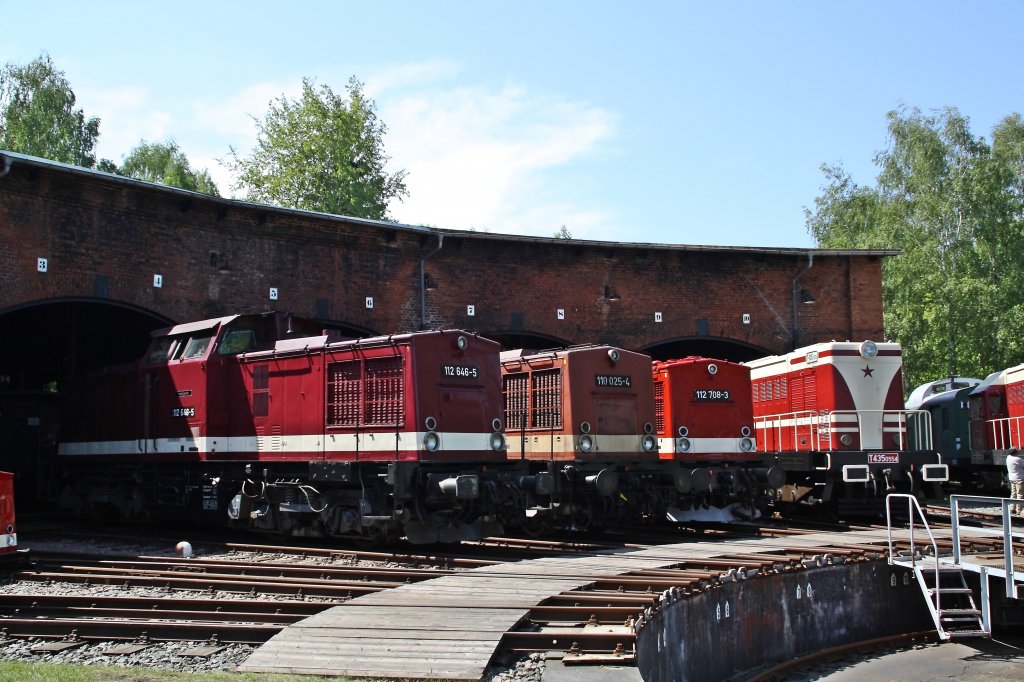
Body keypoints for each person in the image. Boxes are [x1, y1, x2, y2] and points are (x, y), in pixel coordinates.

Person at [1008, 448, 1024, 516]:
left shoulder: (1008, 458)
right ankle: (1019, 510)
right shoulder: (1018, 459)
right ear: (1016, 452)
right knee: (1020, 494)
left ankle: (1012, 509)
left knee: (1013, 494)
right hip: (1019, 478)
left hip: (1012, 478)